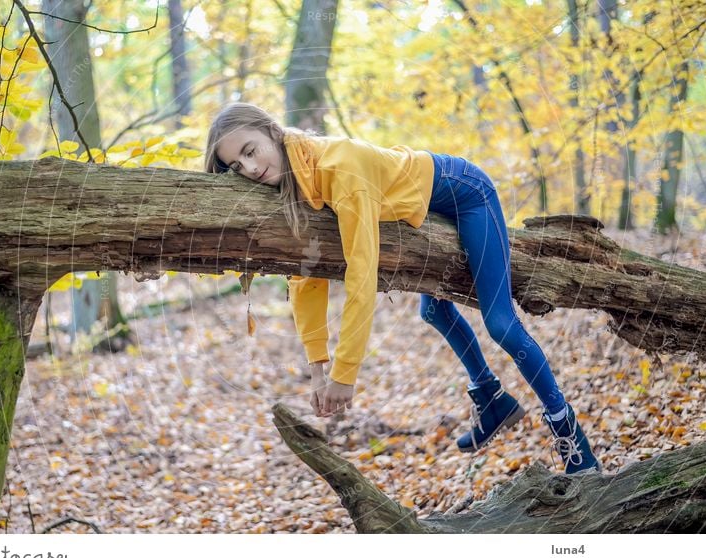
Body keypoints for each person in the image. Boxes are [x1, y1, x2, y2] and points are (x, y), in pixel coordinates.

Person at [204, 102, 601, 475]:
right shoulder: (297, 181)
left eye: (252, 150)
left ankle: (569, 434)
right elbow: (307, 274)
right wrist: (317, 368)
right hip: (429, 208)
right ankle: (493, 401)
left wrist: (345, 373)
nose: (250, 168)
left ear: (273, 131)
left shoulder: (340, 166)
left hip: (466, 193)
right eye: (237, 165)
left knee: (499, 323)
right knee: (433, 310)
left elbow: (362, 271)